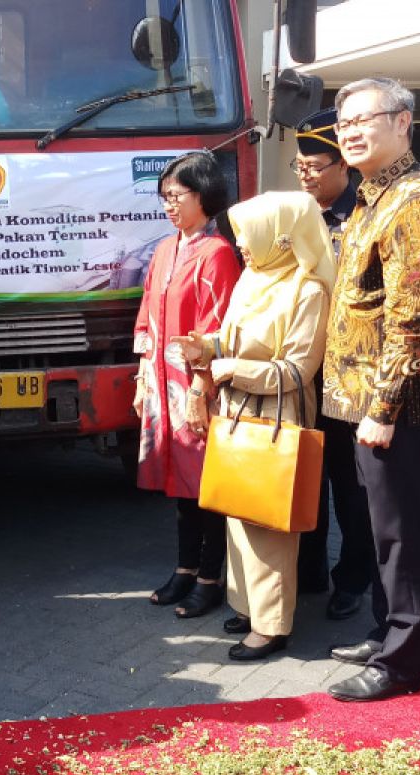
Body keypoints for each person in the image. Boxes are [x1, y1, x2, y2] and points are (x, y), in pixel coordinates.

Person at [321, 78, 420, 702]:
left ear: (403, 122)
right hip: (363, 399)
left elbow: (411, 319)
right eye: (342, 121)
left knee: (405, 532)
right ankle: (385, 631)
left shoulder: (415, 201)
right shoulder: (373, 196)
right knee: (381, 528)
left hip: (397, 403)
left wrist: (383, 409)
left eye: (363, 118)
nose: (348, 130)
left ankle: (402, 662)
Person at [173, 192, 335, 660]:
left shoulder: (308, 290)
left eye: (249, 236)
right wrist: (204, 346)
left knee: (270, 524)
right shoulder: (254, 278)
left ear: (280, 237)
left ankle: (272, 625)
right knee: (239, 512)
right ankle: (246, 607)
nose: (241, 245)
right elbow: (230, 337)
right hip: (239, 410)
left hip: (279, 415)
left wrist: (229, 370)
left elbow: (296, 370)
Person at [133, 151, 240, 619]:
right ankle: (184, 569)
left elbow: (217, 330)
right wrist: (141, 377)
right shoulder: (163, 250)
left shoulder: (217, 254)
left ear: (204, 195)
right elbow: (146, 317)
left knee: (205, 484)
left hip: (196, 388)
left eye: (176, 196)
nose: (168, 206)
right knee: (179, 483)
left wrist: (200, 388)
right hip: (162, 384)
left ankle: (210, 578)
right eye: (164, 198)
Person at [290, 108, 377, 622]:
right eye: (300, 167)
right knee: (306, 477)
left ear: (343, 164)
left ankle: (353, 578)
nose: (306, 176)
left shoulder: (363, 215)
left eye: (315, 167)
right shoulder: (300, 218)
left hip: (350, 377)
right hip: (304, 372)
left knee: (351, 487)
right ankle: (309, 570)